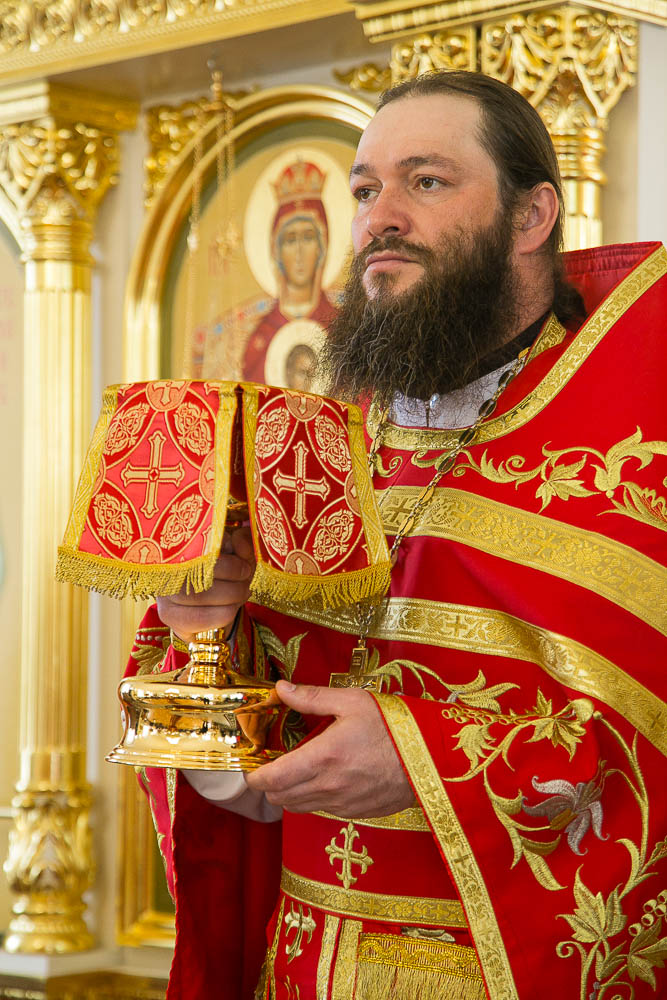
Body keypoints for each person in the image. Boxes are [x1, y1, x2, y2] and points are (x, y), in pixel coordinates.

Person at [126, 71, 667, 999]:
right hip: (301, 966)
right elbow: (244, 792)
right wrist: (203, 635)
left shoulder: (637, 442)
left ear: (531, 215)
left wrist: (426, 763)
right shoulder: (316, 453)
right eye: (366, 188)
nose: (380, 216)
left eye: (426, 181)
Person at [241, 159, 338, 384]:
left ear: (322, 246)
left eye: (308, 237)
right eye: (290, 240)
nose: (299, 252)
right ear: (275, 250)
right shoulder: (257, 340)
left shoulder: (344, 330)